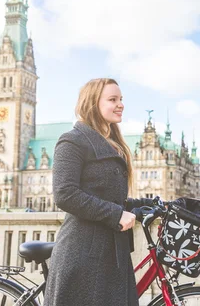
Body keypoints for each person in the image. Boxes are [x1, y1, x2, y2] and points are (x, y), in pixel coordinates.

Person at [44, 78, 151, 306]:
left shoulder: (113, 143)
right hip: (83, 255)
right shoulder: (72, 141)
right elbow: (65, 194)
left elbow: (111, 198)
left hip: (112, 254)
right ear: (93, 103)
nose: (120, 104)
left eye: (121, 99)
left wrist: (147, 205)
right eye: (113, 99)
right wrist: (115, 214)